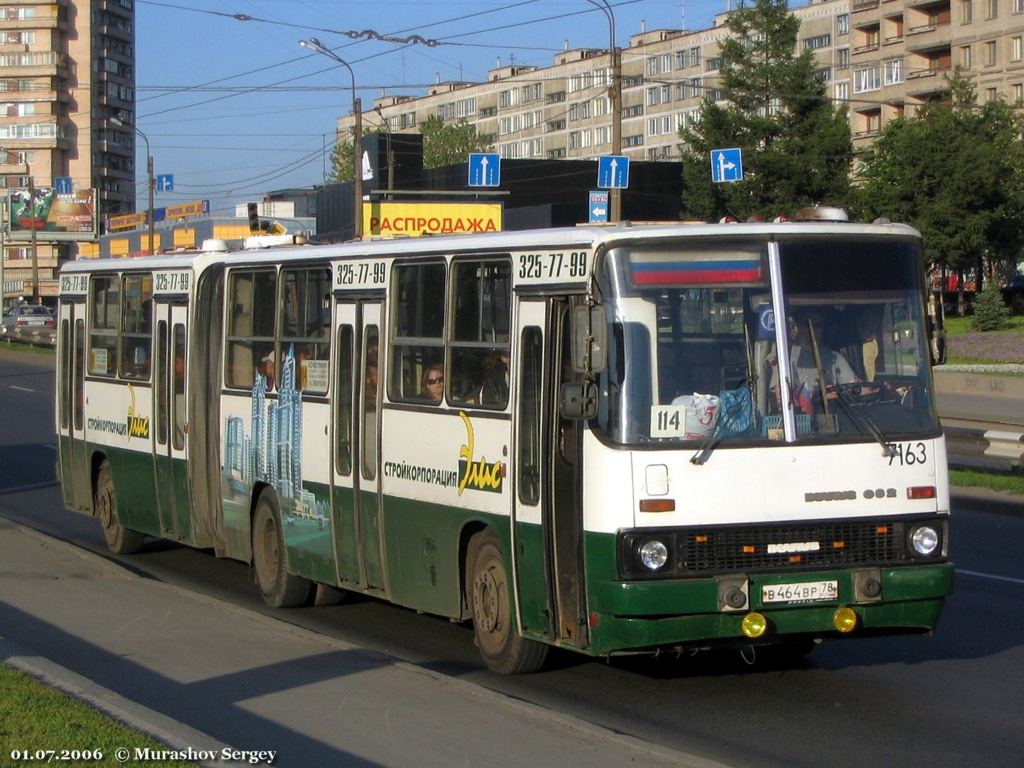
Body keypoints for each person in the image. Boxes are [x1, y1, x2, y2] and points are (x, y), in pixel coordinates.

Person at [770, 310, 858, 414]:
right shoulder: (784, 356)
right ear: (797, 326)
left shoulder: (833, 357)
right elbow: (779, 400)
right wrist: (817, 398)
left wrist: (874, 388)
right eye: (807, 325)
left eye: (817, 326)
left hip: (832, 418)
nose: (813, 330)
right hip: (798, 423)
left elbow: (855, 387)